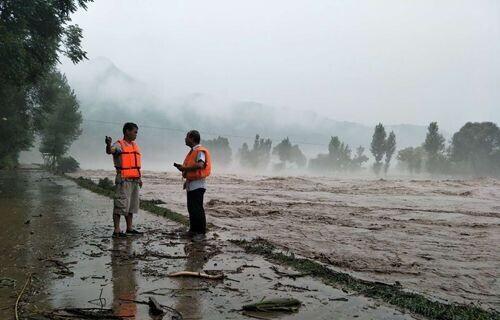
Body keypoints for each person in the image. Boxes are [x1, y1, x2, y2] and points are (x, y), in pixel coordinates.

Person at [105, 122, 143, 238]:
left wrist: (139, 178)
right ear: (127, 131)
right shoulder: (119, 145)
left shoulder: (134, 145)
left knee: (131, 205)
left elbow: (136, 164)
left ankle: (129, 228)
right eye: (134, 132)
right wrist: (108, 144)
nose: (136, 134)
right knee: (120, 204)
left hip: (134, 180)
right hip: (123, 179)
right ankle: (116, 230)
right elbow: (110, 151)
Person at [174, 130, 212, 239]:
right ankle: (193, 230)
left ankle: (200, 232)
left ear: (192, 138)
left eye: (186, 137)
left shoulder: (200, 151)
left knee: (197, 209)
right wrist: (187, 180)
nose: (185, 139)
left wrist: (184, 168)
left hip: (198, 185)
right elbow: (194, 169)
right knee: (192, 208)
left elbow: (200, 165)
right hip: (192, 184)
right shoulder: (193, 151)